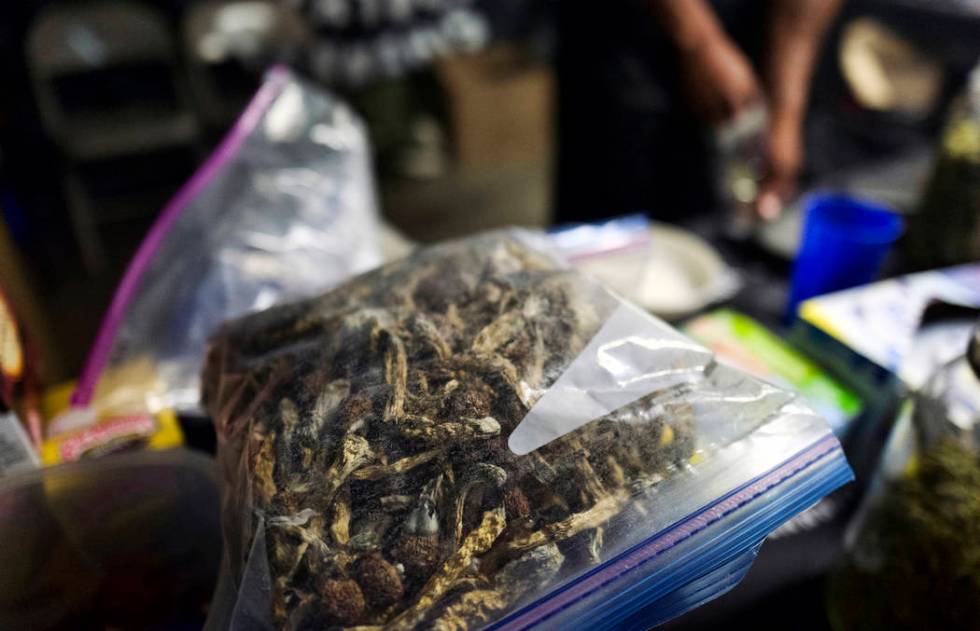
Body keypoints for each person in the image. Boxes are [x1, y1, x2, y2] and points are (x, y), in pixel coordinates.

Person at [555, 0, 843, 224]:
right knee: (609, 217)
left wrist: (785, 115)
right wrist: (699, 42)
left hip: (755, 26)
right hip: (631, 34)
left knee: (715, 223)